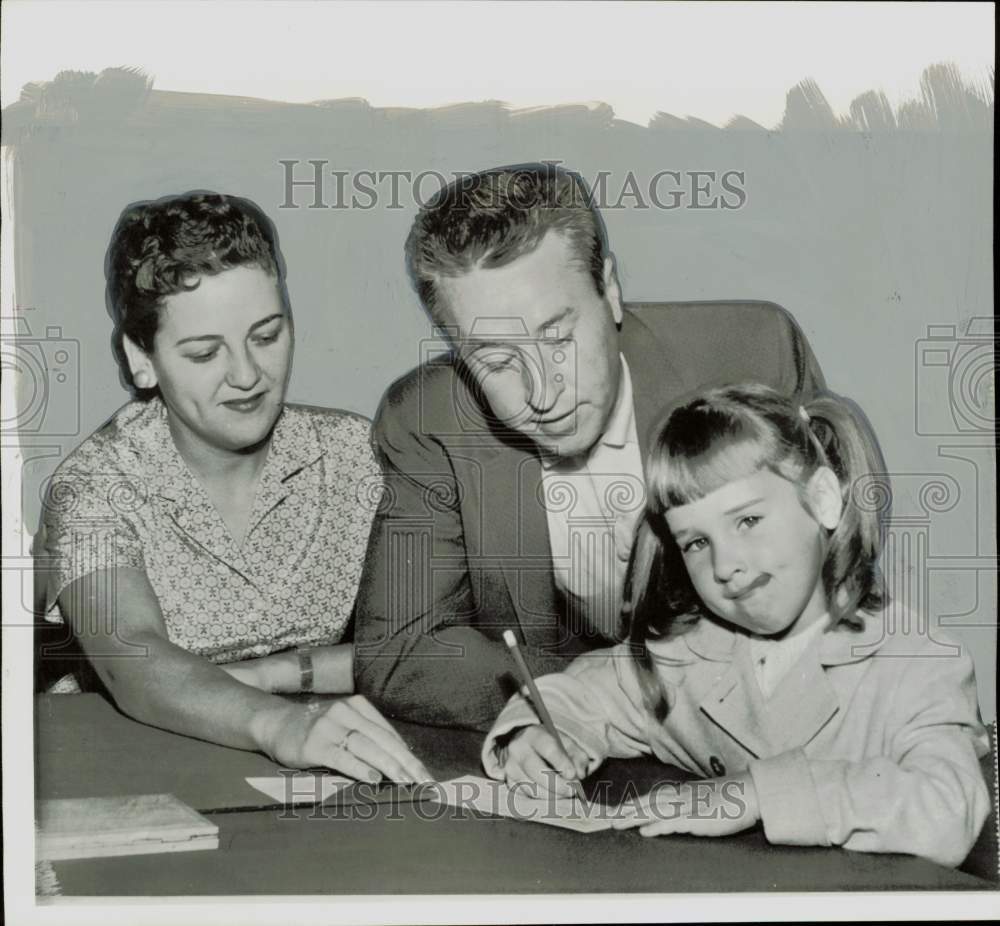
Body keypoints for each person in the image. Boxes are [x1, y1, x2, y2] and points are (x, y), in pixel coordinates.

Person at [354, 164, 826, 729]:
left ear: (610, 288)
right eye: (496, 360)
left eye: (557, 336)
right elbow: (401, 650)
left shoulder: (753, 355)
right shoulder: (425, 420)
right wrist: (579, 703)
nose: (543, 392)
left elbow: (842, 592)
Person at [481, 384, 990, 867]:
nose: (724, 566)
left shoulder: (915, 660)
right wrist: (535, 739)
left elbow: (950, 809)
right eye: (697, 543)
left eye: (747, 521)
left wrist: (755, 793)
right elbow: (582, 693)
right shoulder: (690, 654)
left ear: (825, 500)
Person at [41, 191, 430, 784]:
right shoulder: (94, 485)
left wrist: (273, 675)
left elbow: (424, 646)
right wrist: (282, 723)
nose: (247, 375)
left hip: (322, 762)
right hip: (129, 763)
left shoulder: (354, 456)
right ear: (141, 359)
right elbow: (134, 663)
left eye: (267, 335)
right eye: (204, 352)